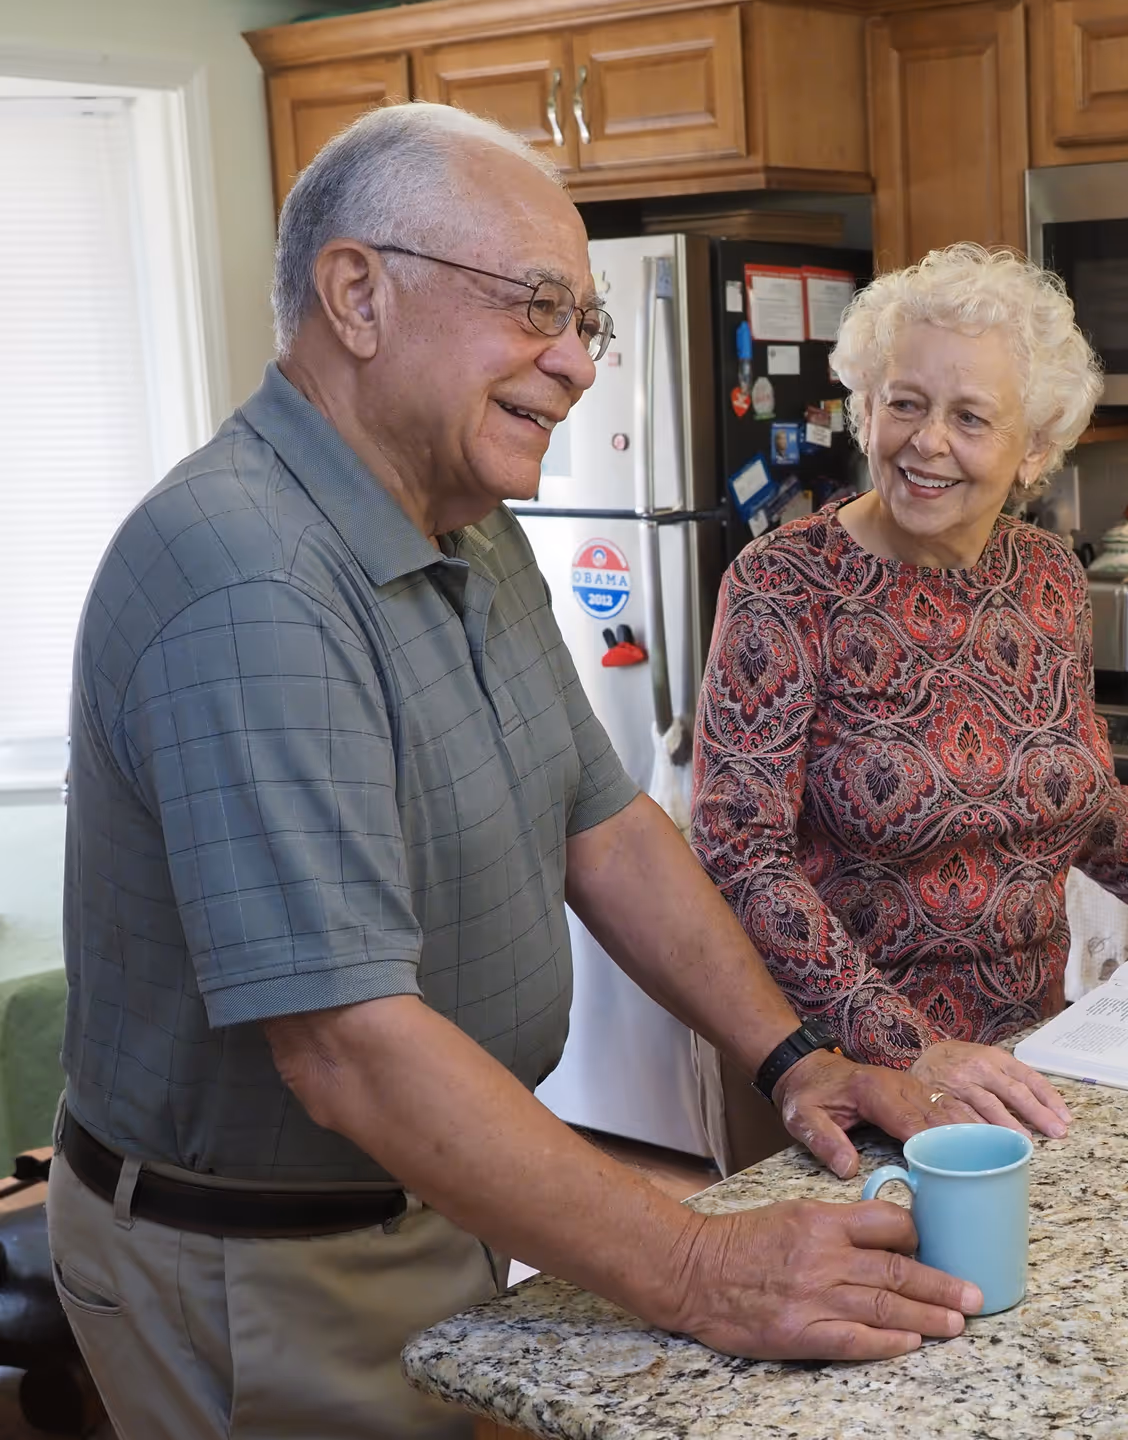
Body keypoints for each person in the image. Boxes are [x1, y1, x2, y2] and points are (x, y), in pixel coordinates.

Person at [53, 104, 992, 1440]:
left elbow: (598, 824)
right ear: (356, 294)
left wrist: (791, 1056)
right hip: (258, 1266)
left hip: (429, 1203)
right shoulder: (248, 575)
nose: (575, 363)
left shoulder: (464, 526)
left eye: (586, 322)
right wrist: (695, 1264)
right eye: (536, 306)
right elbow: (349, 1050)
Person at [692, 245, 1128, 1136]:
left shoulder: (1045, 576)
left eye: (971, 418)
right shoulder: (783, 585)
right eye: (904, 404)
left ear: (1035, 445)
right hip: (836, 1082)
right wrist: (905, 1045)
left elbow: (1086, 803)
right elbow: (740, 856)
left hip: (1033, 1060)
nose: (928, 442)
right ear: (864, 410)